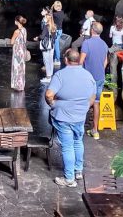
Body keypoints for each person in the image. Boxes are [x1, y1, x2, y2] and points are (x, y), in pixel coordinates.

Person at [45, 49, 97, 188]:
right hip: (80, 116)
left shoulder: (60, 75)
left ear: (66, 60)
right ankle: (78, 170)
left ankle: (69, 178)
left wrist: (52, 104)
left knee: (67, 146)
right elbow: (93, 96)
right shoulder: (88, 75)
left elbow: (49, 94)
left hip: (64, 116)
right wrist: (86, 107)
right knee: (78, 142)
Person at [80, 22, 109, 140]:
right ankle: (95, 131)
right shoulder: (104, 44)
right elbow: (105, 62)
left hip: (89, 79)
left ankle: (79, 128)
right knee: (96, 103)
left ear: (92, 30)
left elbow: (81, 61)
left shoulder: (86, 43)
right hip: (100, 77)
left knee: (84, 103)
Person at [36, 9, 57, 84]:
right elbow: (55, 37)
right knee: (50, 61)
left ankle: (48, 77)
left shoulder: (46, 26)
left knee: (46, 61)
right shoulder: (54, 26)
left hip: (45, 45)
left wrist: (37, 38)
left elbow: (42, 36)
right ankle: (50, 76)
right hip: (51, 45)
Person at [107, 16, 123, 84]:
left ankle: (114, 90)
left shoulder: (112, 28)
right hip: (122, 49)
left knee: (113, 68)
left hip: (114, 48)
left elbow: (110, 36)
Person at [9, 15, 28, 91]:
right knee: (21, 68)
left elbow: (12, 42)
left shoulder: (16, 31)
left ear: (17, 22)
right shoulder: (24, 30)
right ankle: (21, 85)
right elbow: (25, 41)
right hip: (22, 50)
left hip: (17, 51)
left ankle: (17, 85)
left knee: (16, 67)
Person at [52, 1, 66, 66]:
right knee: (56, 45)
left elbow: (50, 13)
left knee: (56, 46)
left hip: (56, 31)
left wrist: (52, 7)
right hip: (60, 30)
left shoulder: (55, 14)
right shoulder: (62, 13)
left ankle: (57, 60)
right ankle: (55, 59)